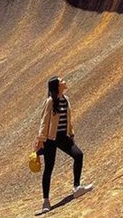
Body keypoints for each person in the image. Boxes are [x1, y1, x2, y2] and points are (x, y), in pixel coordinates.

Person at [35, 75, 93, 213]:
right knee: (49, 168)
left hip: (62, 137)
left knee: (78, 155)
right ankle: (45, 202)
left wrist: (71, 134)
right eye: (62, 81)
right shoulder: (50, 102)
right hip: (50, 139)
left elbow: (68, 119)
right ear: (57, 86)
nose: (64, 82)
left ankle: (77, 187)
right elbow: (44, 122)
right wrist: (40, 140)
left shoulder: (66, 100)